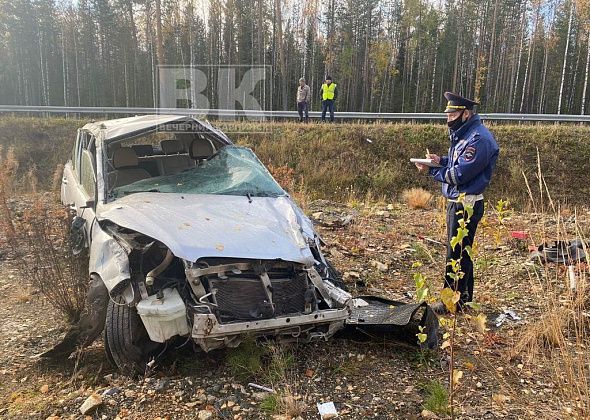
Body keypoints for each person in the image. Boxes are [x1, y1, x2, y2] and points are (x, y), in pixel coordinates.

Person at [415, 92, 499, 314]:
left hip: (465, 203)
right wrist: (439, 161)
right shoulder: (467, 134)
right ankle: (463, 299)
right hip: (459, 201)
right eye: (448, 113)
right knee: (462, 252)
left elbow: (459, 174)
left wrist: (432, 170)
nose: (448, 118)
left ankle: (450, 303)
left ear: (466, 113)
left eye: (452, 114)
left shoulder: (478, 140)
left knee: (456, 254)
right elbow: (455, 163)